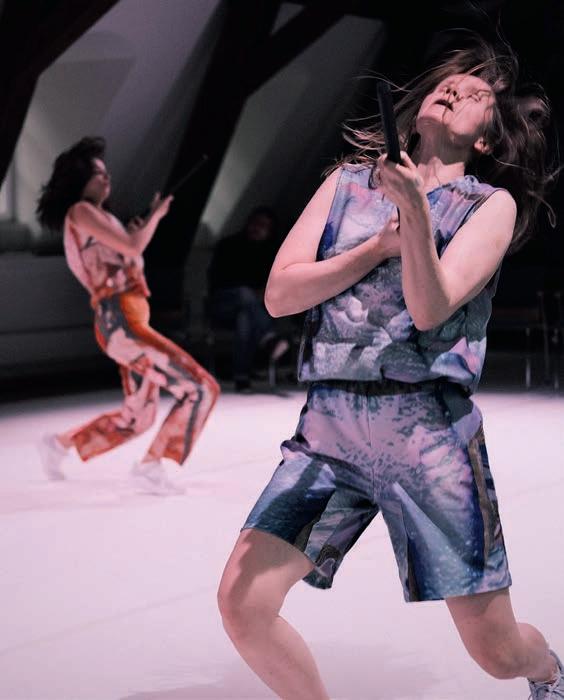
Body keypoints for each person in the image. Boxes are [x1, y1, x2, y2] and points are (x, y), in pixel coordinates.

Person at [217, 41, 563, 699]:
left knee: (495, 652)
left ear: (486, 140)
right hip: (330, 429)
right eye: (449, 83)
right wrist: (378, 245)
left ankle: (546, 670)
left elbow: (431, 309)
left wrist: (416, 215)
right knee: (243, 603)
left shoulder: (488, 205)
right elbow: (281, 294)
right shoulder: (347, 184)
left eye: (475, 95)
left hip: (429, 437)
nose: (455, 89)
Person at [36, 137, 220, 494]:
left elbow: (130, 251)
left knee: (138, 416)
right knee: (200, 388)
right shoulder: (81, 211)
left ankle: (59, 444)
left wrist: (142, 226)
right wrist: (153, 220)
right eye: (98, 173)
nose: (106, 178)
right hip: (122, 320)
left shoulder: (99, 217)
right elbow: (133, 247)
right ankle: (151, 465)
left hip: (124, 321)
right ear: (80, 180)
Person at [207, 207, 289, 392]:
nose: (257, 228)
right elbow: (216, 280)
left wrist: (259, 293)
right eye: (256, 223)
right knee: (244, 294)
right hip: (222, 304)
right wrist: (250, 293)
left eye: (264, 226)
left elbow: (273, 284)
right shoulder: (228, 245)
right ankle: (269, 337)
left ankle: (241, 377)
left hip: (252, 309)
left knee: (244, 318)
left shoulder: (270, 252)